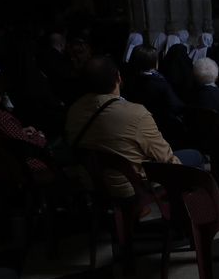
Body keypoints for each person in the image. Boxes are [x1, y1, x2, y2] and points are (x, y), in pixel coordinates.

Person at [65, 56, 202, 198]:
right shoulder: (135, 113)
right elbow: (165, 158)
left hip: (92, 183)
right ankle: (187, 208)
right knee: (194, 156)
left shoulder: (74, 110)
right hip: (130, 186)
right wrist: (182, 174)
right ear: (118, 77)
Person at [124, 45, 186, 145]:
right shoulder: (160, 83)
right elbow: (176, 106)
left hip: (133, 124)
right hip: (158, 127)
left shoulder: (128, 79)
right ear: (153, 62)